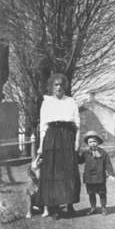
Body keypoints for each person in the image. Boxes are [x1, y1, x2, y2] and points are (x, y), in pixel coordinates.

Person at [37, 73, 81, 219]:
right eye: (56, 85)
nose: (58, 87)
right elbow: (43, 125)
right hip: (52, 138)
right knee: (53, 172)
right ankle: (54, 207)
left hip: (67, 136)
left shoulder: (71, 101)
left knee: (68, 170)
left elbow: (77, 125)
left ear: (65, 87)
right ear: (52, 87)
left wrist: (77, 142)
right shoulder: (47, 102)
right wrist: (40, 146)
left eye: (61, 85)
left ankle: (70, 205)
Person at [78, 130, 115, 216]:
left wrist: (110, 174)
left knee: (102, 193)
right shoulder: (86, 153)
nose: (92, 143)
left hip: (100, 177)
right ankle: (93, 208)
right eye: (90, 142)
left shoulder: (103, 153)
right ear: (88, 143)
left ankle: (103, 208)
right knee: (91, 194)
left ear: (98, 142)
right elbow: (79, 161)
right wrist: (76, 153)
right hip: (89, 177)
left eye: (94, 141)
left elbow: (108, 164)